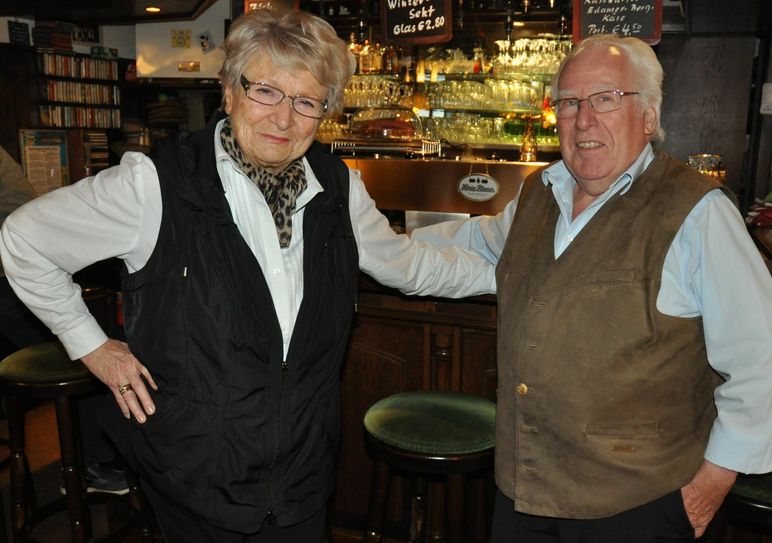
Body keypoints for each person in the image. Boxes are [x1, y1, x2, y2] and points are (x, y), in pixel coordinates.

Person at [0, 9, 495, 543]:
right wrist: (93, 347)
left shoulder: (339, 189)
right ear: (229, 90)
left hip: (302, 473)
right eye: (265, 91)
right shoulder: (156, 185)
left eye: (306, 101)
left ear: (325, 112)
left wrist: (506, 277)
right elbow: (24, 239)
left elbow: (410, 264)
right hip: (195, 477)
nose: (283, 119)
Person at [410, 34, 772, 542]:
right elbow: (474, 244)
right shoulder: (539, 193)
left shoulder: (697, 211)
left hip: (636, 508)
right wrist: (371, 240)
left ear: (649, 116)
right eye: (570, 102)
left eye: (606, 98)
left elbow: (766, 357)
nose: (584, 119)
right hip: (524, 490)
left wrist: (707, 488)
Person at [0, 144, 129, 495]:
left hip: (15, 270)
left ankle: (97, 459)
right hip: (10, 277)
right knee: (87, 352)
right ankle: (92, 466)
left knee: (90, 343)